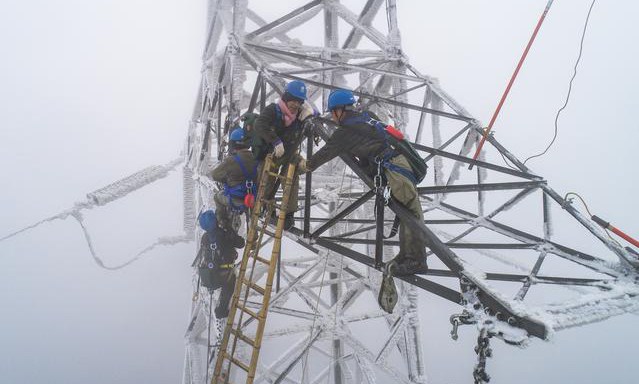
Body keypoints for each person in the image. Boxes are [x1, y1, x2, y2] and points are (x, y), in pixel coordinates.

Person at [298, 89, 428, 276]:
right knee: (406, 210)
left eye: (333, 113)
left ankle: (416, 260)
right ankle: (407, 255)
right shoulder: (367, 116)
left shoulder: (345, 132)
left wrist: (306, 166)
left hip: (394, 169)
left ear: (340, 110)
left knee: (410, 211)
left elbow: (325, 153)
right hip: (398, 165)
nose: (333, 119)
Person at [253, 80, 316, 230]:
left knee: (292, 177)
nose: (295, 105)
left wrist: (308, 120)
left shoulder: (301, 115)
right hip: (270, 154)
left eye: (299, 102)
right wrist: (275, 141)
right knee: (267, 181)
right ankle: (266, 209)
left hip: (288, 155)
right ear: (286, 98)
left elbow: (314, 119)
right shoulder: (273, 110)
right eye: (293, 101)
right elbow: (259, 125)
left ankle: (288, 214)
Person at [196, 210, 245, 319]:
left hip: (210, 277)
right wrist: (230, 230)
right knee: (230, 285)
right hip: (224, 276)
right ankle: (221, 310)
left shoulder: (204, 238)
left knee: (226, 280)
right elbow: (241, 243)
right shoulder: (225, 233)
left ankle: (221, 309)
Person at [210, 127, 259, 230]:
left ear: (233, 144)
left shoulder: (231, 160)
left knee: (217, 197)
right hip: (252, 199)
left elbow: (215, 175)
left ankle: (223, 221)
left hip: (236, 200)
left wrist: (227, 178)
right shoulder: (256, 157)